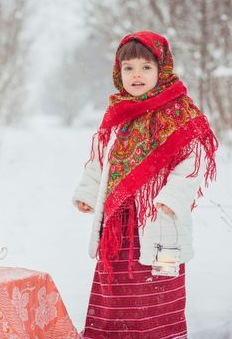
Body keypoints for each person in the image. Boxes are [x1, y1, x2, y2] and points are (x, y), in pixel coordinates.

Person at [73, 31, 218, 339]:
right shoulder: (118, 114)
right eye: (128, 68)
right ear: (118, 72)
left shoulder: (179, 113)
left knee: (155, 287)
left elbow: (194, 162)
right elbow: (101, 161)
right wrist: (87, 192)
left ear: (161, 70)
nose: (136, 74)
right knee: (117, 288)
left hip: (158, 218)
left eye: (146, 67)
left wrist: (171, 198)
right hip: (118, 223)